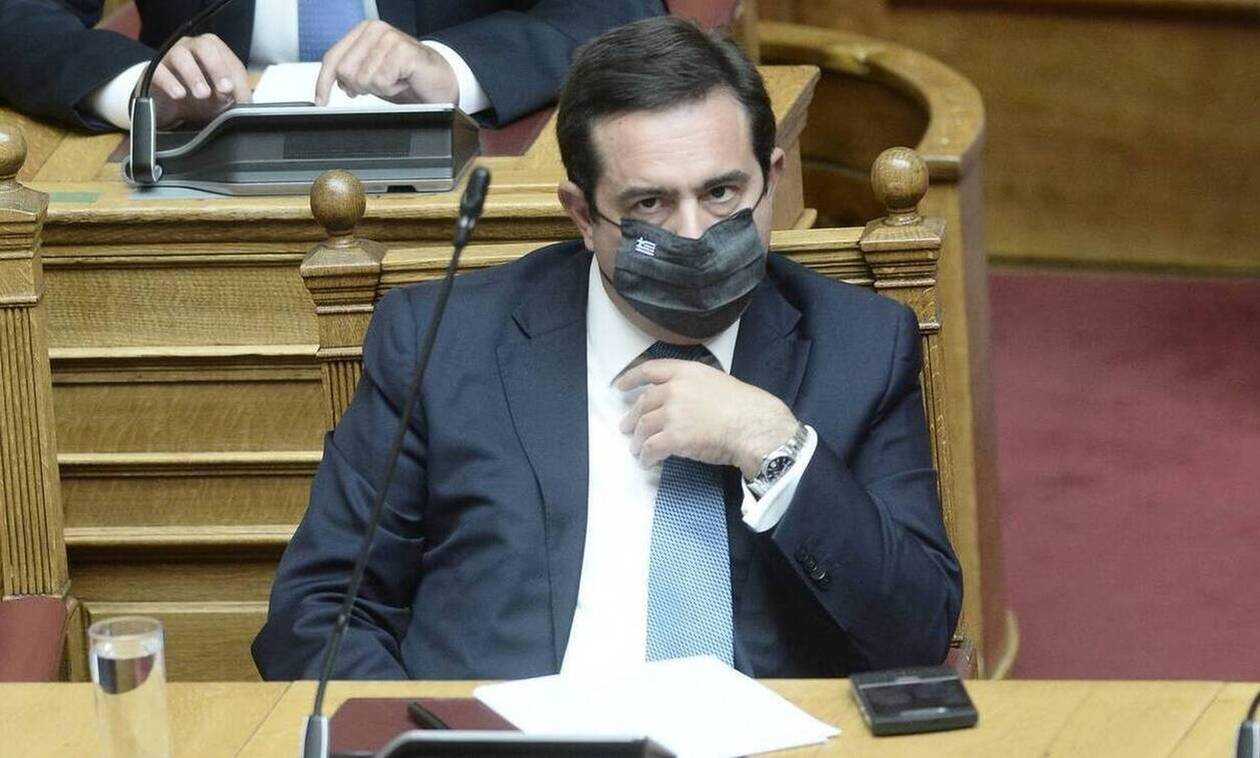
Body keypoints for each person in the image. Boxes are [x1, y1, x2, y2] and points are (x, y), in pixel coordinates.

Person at [252, 16, 962, 681]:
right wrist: (434, 742)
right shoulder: (442, 341)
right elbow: (319, 613)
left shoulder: (860, 346)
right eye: (650, 204)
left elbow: (919, 633)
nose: (694, 234)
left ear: (771, 179)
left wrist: (775, 448)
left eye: (722, 193)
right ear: (583, 215)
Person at [0, 0, 664, 130]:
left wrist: (453, 68)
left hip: (468, 156)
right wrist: (139, 86)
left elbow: (620, 9)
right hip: (201, 157)